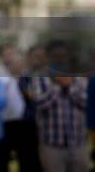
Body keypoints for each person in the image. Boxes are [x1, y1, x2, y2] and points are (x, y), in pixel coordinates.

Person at [30, 41, 90, 172]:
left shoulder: (80, 77)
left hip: (79, 143)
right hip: (52, 146)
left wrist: (69, 86)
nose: (60, 59)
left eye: (63, 55)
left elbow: (87, 104)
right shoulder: (39, 76)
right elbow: (40, 105)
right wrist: (57, 85)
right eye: (55, 56)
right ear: (49, 57)